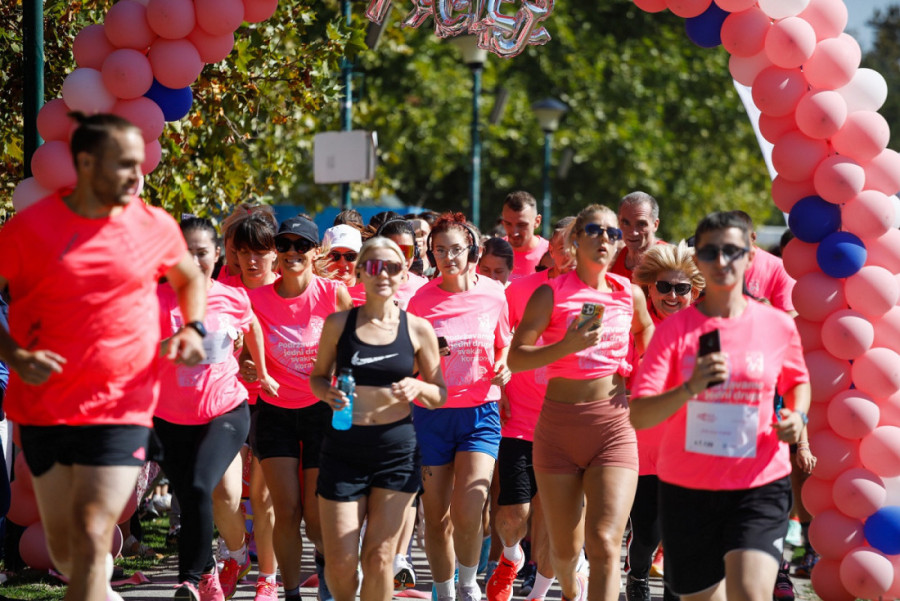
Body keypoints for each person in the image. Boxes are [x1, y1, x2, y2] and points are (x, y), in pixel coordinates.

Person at [0, 113, 207, 601]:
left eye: (140, 165)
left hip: (123, 405)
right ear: (86, 163)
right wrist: (15, 353)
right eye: (124, 165)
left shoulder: (153, 224)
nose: (137, 176)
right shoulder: (31, 229)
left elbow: (189, 277)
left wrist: (193, 328)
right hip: (47, 408)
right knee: (68, 550)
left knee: (95, 534)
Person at [629, 211, 810, 601]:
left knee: (749, 590)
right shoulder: (674, 331)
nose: (723, 260)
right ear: (698, 259)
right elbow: (640, 413)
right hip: (689, 487)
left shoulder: (777, 325)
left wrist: (797, 417)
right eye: (711, 251)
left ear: (750, 255)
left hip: (759, 481)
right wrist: (689, 388)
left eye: (732, 250)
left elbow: (797, 382)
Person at [508, 204, 654, 601]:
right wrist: (565, 346)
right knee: (565, 551)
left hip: (613, 426)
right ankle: (573, 591)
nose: (605, 239)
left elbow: (646, 331)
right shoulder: (549, 293)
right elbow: (516, 357)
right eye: (594, 230)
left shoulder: (630, 294)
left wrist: (647, 377)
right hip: (557, 430)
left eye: (612, 232)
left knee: (606, 542)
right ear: (576, 238)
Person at [309, 236, 448, 601]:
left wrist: (418, 390)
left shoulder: (418, 330)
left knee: (380, 557)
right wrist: (326, 391)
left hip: (395, 452)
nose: (381, 273)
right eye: (373, 266)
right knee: (339, 562)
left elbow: (440, 393)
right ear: (360, 273)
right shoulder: (338, 324)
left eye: (391, 266)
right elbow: (317, 377)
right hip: (343, 449)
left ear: (403, 273)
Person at [155, 217, 278, 601]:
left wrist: (262, 370)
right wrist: (172, 343)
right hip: (171, 416)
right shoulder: (154, 299)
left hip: (226, 408)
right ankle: (221, 562)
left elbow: (251, 324)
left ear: (217, 255)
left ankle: (191, 579)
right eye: (184, 252)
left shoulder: (232, 295)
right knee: (214, 498)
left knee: (197, 486)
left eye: (202, 252)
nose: (193, 259)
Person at [245, 216, 353, 601]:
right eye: (285, 245)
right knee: (286, 510)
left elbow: (350, 351)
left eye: (301, 245)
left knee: (315, 517)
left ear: (315, 252)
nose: (292, 252)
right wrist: (249, 366)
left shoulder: (332, 294)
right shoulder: (255, 299)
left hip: (321, 411)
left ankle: (326, 571)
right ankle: (289, 592)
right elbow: (246, 355)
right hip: (275, 412)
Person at [407, 214, 512, 601]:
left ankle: (469, 586)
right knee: (436, 518)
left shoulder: (494, 293)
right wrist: (428, 357)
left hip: (480, 412)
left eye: (456, 249)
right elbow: (409, 363)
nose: (449, 257)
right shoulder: (420, 300)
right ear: (431, 253)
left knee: (470, 509)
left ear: (472, 249)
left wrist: (504, 365)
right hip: (433, 413)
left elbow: (505, 344)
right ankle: (444, 590)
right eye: (440, 250)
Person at [486, 217, 575, 601]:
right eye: (560, 244)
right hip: (519, 417)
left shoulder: (601, 296)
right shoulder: (519, 290)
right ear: (548, 248)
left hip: (571, 422)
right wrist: (499, 387)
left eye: (574, 244)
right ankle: (510, 557)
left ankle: (538, 593)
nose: (567, 252)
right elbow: (496, 338)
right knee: (513, 516)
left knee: (556, 523)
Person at [625, 241, 705, 601]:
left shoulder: (709, 331)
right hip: (643, 453)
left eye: (682, 288)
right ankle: (638, 574)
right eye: (664, 287)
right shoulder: (634, 330)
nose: (672, 296)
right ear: (648, 288)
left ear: (695, 291)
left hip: (692, 451)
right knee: (646, 534)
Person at [222, 212, 281, 601]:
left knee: (262, 498)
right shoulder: (221, 289)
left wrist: (262, 366)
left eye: (261, 251)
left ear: (274, 253)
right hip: (226, 401)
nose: (252, 260)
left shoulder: (287, 288)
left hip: (274, 404)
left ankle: (268, 577)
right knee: (222, 494)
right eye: (244, 252)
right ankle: (236, 554)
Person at [729, 211, 796, 315]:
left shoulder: (778, 268)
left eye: (740, 239)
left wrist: (766, 313)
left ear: (753, 237)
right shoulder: (713, 266)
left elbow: (790, 319)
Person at [610, 192, 664, 279]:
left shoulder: (670, 260)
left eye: (641, 224)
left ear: (655, 225)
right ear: (618, 222)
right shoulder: (612, 259)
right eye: (626, 223)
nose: (633, 232)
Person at [500, 192, 548, 280]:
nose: (514, 232)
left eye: (522, 225)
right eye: (508, 224)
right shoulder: (492, 252)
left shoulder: (552, 254)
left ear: (537, 221)